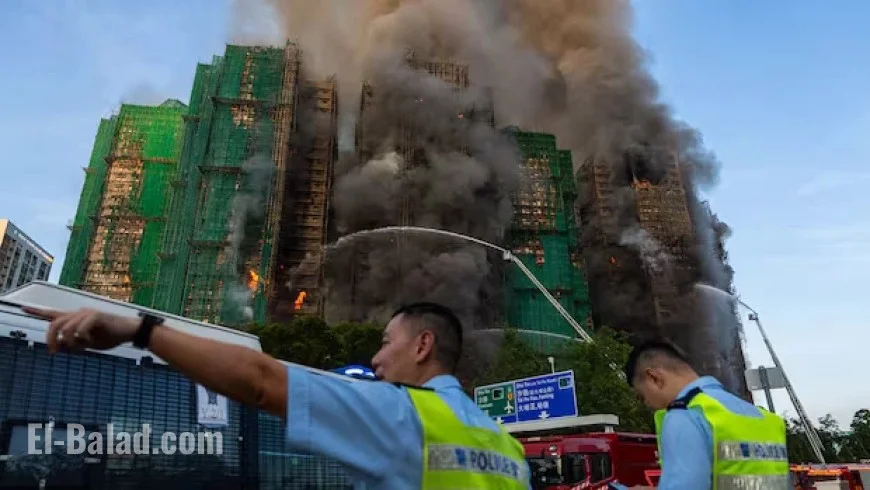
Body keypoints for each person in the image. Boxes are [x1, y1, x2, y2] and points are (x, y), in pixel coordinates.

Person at [24, 301, 531, 490]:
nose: (376, 360)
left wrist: (140, 332)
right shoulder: (508, 448)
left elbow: (262, 380)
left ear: (423, 346)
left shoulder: (401, 414)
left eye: (385, 342)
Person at [616, 338, 790, 490]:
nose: (646, 403)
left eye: (641, 396)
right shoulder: (768, 420)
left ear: (654, 378)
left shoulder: (686, 415)